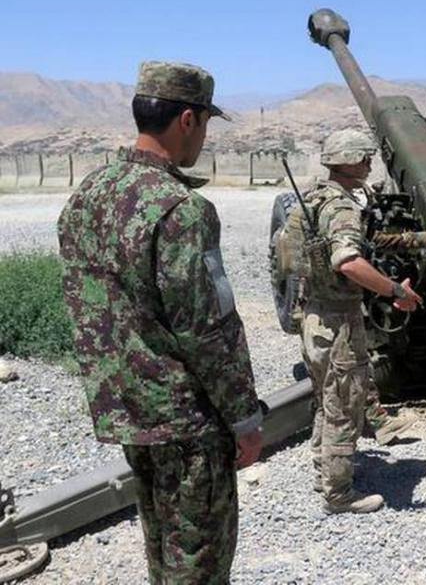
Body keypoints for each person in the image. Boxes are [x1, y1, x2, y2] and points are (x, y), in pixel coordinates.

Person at [57, 61, 262, 584]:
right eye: (207, 124)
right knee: (199, 562)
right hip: (187, 422)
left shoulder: (89, 195)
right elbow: (207, 327)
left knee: (161, 547)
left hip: (129, 410)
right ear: (188, 120)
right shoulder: (181, 208)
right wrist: (244, 418)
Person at [295, 128, 426, 514]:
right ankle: (339, 495)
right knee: (345, 404)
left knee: (326, 399)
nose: (370, 163)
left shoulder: (317, 199)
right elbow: (349, 261)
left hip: (315, 315)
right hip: (339, 319)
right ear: (352, 161)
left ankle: (324, 472)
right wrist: (395, 291)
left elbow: (367, 241)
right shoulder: (341, 207)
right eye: (365, 157)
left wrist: (418, 237)